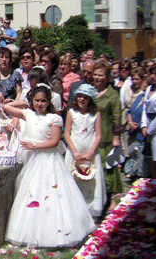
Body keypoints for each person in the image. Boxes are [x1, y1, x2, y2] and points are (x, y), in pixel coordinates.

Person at [4, 85, 95, 247]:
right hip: (32, 161)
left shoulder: (54, 118)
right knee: (31, 192)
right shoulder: (28, 114)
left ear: (48, 102)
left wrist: (34, 146)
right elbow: (6, 107)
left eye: (43, 101)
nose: (39, 104)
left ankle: (54, 231)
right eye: (37, 100)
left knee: (49, 192)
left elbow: (54, 141)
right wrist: (23, 104)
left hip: (48, 159)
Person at [64, 84, 106, 218]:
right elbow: (67, 134)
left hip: (90, 152)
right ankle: (72, 207)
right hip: (75, 151)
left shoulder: (95, 114)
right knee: (73, 177)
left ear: (90, 100)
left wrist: (90, 153)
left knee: (91, 179)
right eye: (80, 96)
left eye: (86, 97)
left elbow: (98, 135)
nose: (82, 100)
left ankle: (92, 208)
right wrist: (74, 151)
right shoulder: (72, 113)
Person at [92, 61, 123, 210]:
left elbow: (118, 117)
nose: (97, 78)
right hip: (91, 137)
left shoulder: (112, 94)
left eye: (100, 75)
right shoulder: (91, 92)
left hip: (106, 137)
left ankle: (112, 199)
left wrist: (116, 136)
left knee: (108, 169)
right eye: (95, 74)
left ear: (107, 77)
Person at [124, 68, 150, 180]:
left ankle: (141, 176)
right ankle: (132, 173)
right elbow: (130, 110)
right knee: (132, 154)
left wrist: (138, 125)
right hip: (132, 131)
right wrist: (130, 122)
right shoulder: (140, 97)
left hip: (141, 132)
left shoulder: (148, 99)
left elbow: (147, 115)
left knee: (141, 157)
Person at [141, 64, 156, 180]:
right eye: (152, 73)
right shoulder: (149, 88)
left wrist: (150, 130)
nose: (153, 76)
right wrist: (144, 125)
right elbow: (145, 107)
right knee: (151, 161)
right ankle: (154, 189)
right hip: (149, 127)